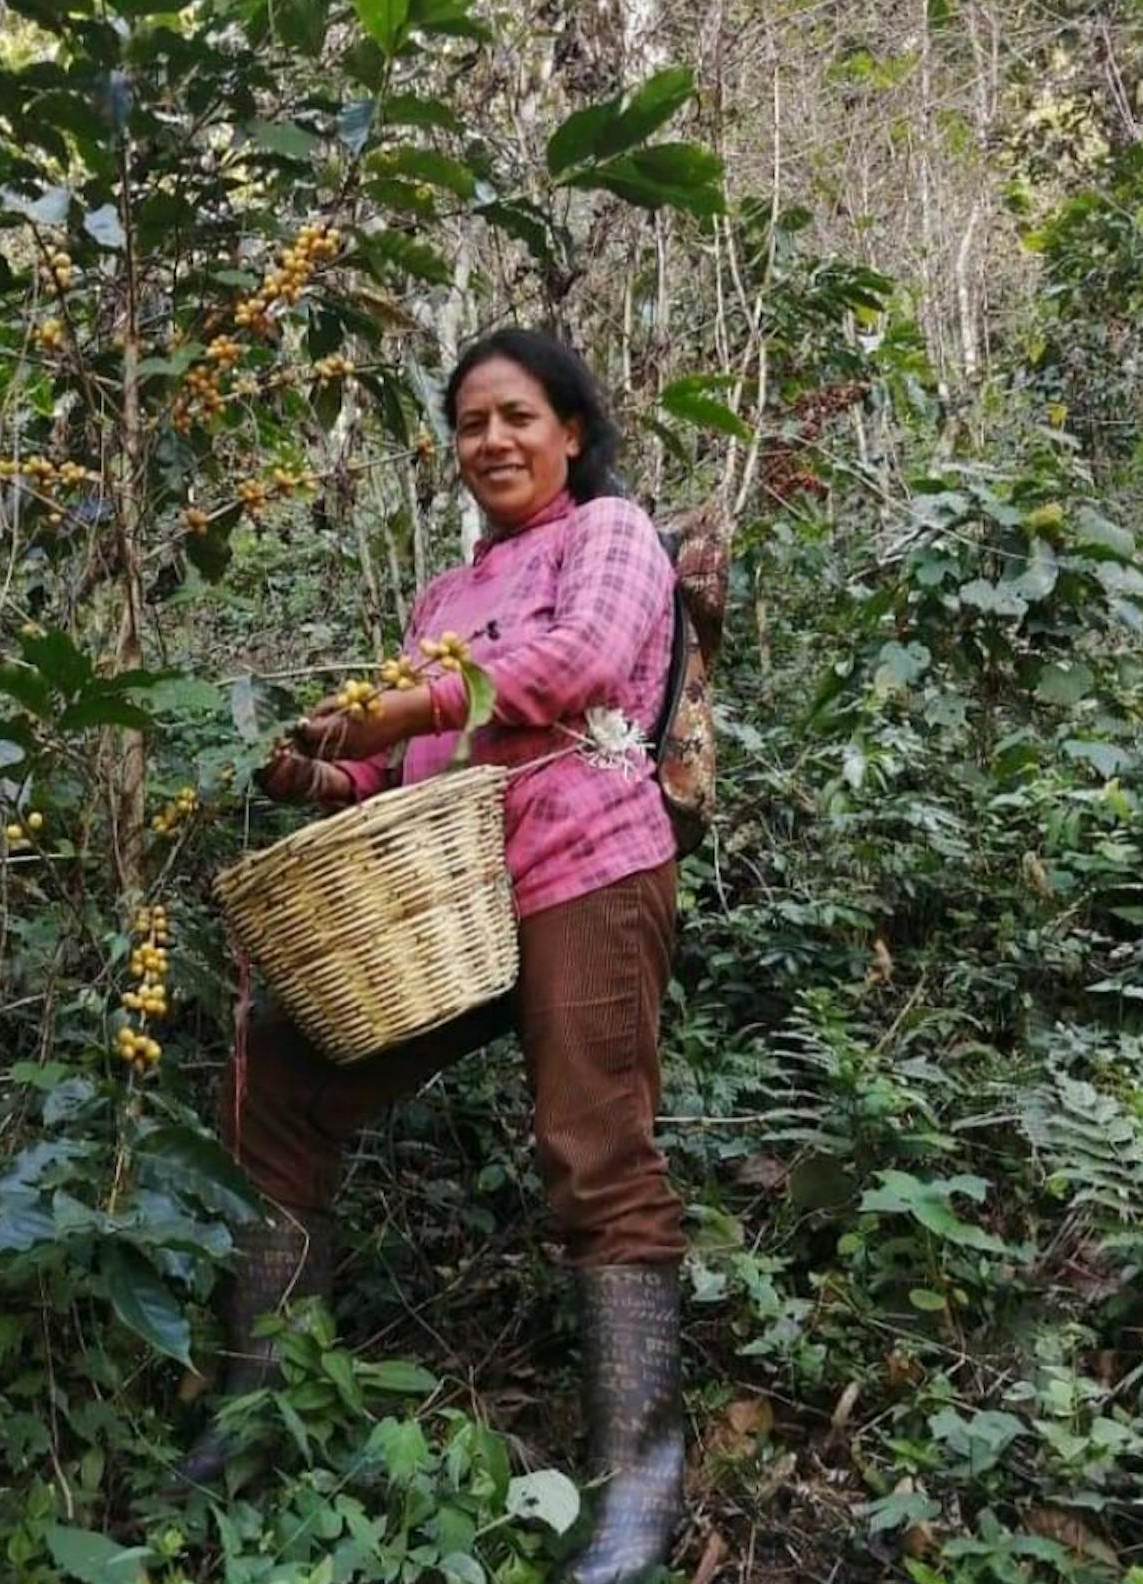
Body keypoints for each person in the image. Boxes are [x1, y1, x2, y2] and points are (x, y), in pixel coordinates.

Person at [179, 328, 684, 1584]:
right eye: (470, 424)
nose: (494, 442)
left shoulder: (610, 534)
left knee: (594, 1155)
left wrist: (407, 704)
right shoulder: (444, 598)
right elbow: (408, 760)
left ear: (571, 430)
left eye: (518, 416)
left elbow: (581, 665)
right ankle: (260, 1413)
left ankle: (639, 1487)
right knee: (277, 1090)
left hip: (587, 864)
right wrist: (323, 765)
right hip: (448, 894)